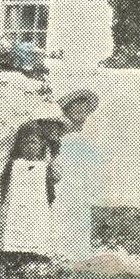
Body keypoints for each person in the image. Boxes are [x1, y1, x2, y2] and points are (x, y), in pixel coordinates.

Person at [0, 107, 66, 256]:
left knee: (35, 236)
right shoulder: (15, 164)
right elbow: (4, 186)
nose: (29, 146)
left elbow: (57, 177)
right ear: (19, 145)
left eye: (33, 142)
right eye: (25, 143)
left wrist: (54, 154)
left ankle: (34, 255)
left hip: (36, 210)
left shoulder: (45, 166)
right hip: (16, 210)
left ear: (41, 144)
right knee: (13, 236)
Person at [51, 89, 103, 259]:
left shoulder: (84, 138)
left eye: (85, 109)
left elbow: (91, 164)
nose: (81, 112)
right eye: (76, 108)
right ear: (67, 109)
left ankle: (77, 253)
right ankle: (58, 251)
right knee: (60, 211)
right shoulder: (59, 133)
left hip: (79, 183)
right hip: (62, 180)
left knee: (79, 212)